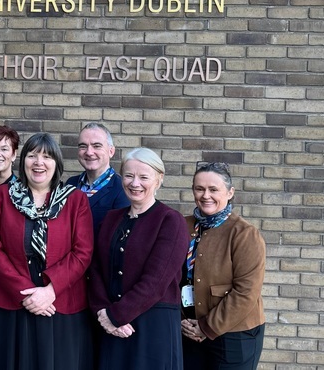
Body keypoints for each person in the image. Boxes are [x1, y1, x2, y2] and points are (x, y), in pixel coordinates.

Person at [0, 132, 94, 370]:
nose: (39, 163)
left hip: (59, 303)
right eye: (32, 156)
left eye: (46, 157)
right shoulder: (0, 197)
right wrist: (26, 294)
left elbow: (82, 252)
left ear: (57, 163)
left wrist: (50, 291)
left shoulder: (76, 200)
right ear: (23, 161)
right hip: (10, 303)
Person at [88, 147, 189, 370]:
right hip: (111, 327)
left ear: (158, 180)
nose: (135, 183)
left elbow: (156, 281)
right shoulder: (111, 219)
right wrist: (102, 312)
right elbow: (95, 270)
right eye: (129, 175)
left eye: (144, 177)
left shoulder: (171, 221)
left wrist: (116, 316)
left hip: (152, 328)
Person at [180, 162, 266, 370]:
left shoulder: (244, 234)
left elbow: (246, 291)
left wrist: (206, 327)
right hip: (189, 331)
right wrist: (181, 320)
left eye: (213, 189)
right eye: (199, 189)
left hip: (235, 336)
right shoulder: (182, 225)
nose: (205, 195)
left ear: (230, 193)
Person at [66, 122, 130, 235]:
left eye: (97, 146)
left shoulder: (122, 189)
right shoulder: (70, 184)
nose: (89, 152)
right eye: (83, 146)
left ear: (111, 151)